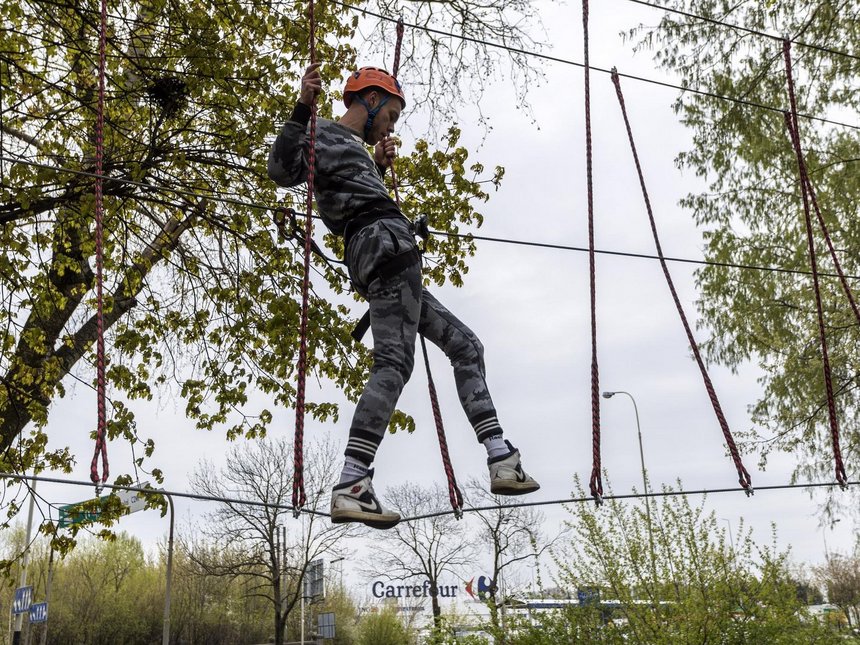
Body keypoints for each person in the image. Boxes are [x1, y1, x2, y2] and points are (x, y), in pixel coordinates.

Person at [268, 63, 539, 529]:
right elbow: (281, 171)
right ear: (369, 101)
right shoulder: (321, 132)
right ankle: (353, 481)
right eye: (391, 115)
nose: (392, 125)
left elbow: (346, 188)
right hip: (383, 246)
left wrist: (376, 165)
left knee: (465, 346)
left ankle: (501, 457)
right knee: (394, 364)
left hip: (390, 253)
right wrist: (301, 107)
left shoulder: (351, 148)